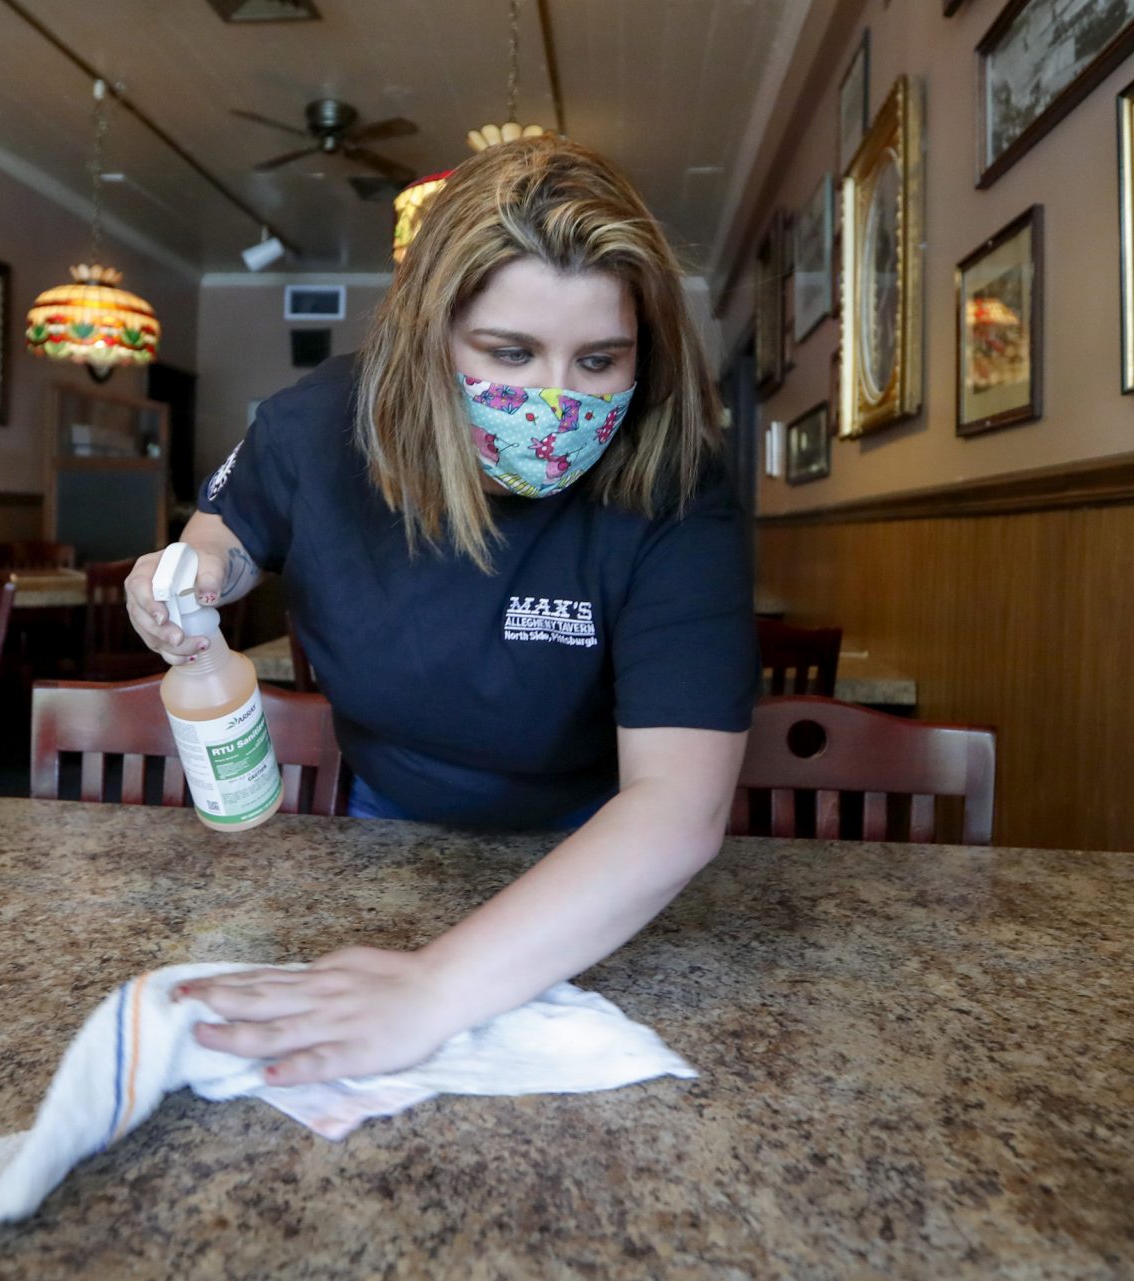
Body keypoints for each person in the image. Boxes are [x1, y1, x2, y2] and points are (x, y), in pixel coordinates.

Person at [124, 135, 756, 1087]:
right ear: (430, 335)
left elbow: (676, 803)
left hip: (598, 846)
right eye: (510, 353)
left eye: (598, 360)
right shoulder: (324, 417)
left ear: (644, 352)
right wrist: (192, 578)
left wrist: (433, 990)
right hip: (383, 818)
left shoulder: (675, 476)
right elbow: (229, 531)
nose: (555, 398)